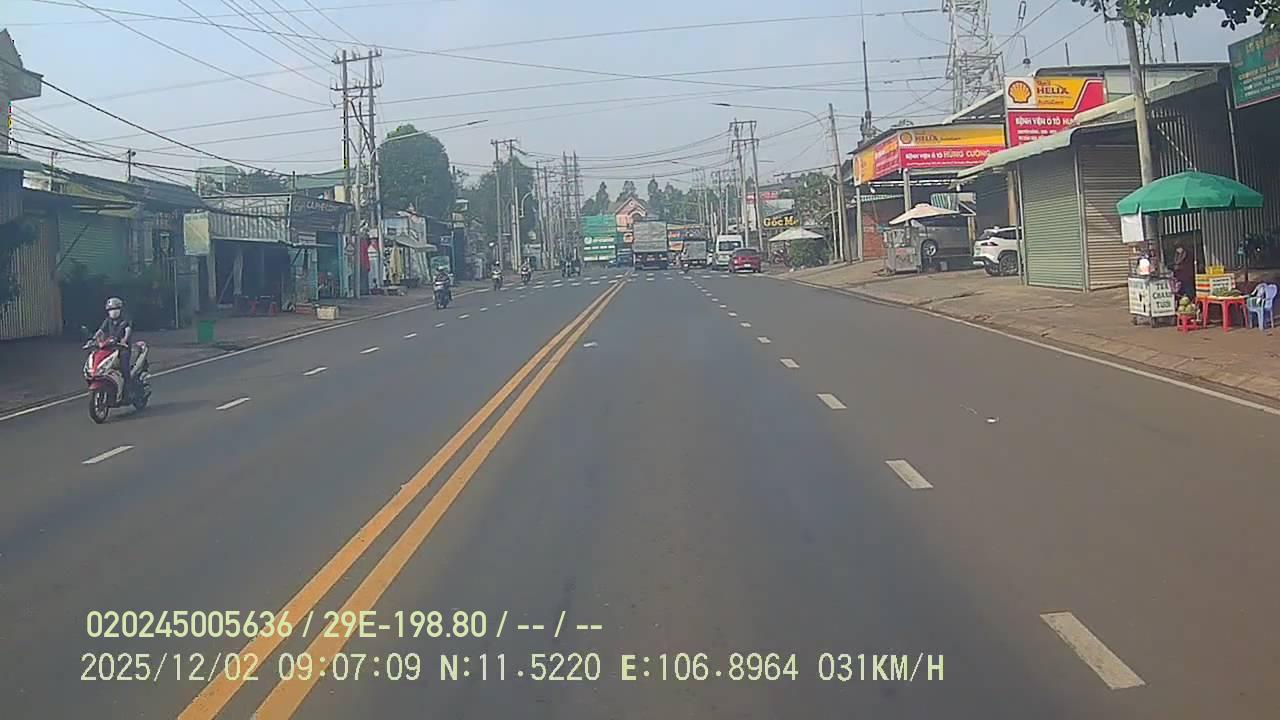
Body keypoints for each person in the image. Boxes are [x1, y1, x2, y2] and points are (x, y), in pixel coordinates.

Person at [98, 297, 134, 398]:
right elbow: (100, 331)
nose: (113, 311)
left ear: (120, 309)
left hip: (123, 348)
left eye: (115, 309)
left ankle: (129, 389)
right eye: (111, 309)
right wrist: (94, 339)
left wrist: (124, 340)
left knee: (124, 367)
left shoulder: (125, 319)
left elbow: (128, 330)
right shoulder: (108, 320)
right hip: (111, 347)